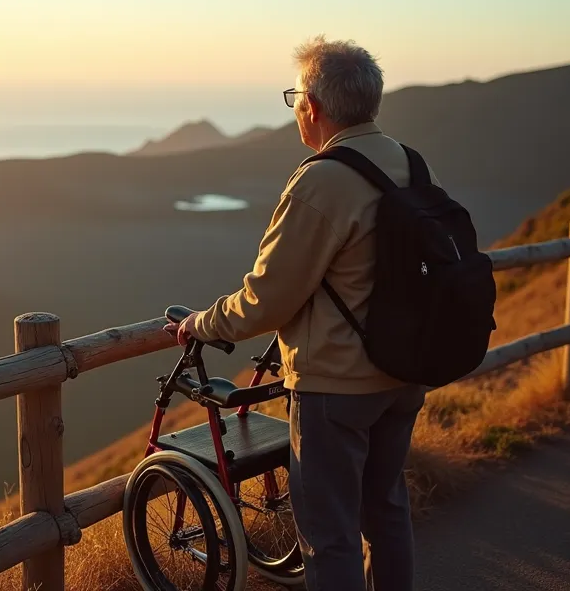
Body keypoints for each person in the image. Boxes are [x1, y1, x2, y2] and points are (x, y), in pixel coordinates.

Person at [165, 36, 430, 591]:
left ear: (312, 105)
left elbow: (267, 297)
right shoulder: (407, 161)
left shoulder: (322, 179)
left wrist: (201, 323)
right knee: (385, 512)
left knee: (329, 536)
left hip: (338, 386)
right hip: (404, 372)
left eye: (295, 99)